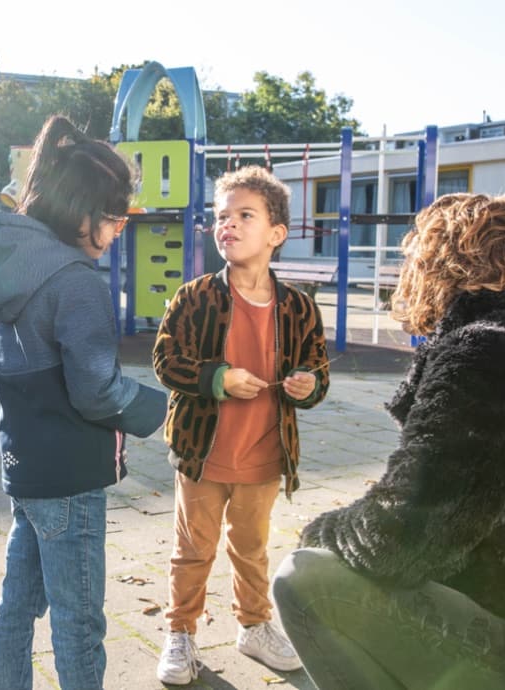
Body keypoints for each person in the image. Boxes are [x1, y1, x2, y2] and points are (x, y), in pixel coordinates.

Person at [272, 192, 505, 690]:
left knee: (306, 579)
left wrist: (320, 532)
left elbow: (405, 537)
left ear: (436, 262)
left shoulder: (487, 352)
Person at [0, 114, 168, 690]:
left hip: (27, 468)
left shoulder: (18, 269)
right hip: (72, 477)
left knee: (16, 607)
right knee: (79, 622)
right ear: (83, 211)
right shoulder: (76, 282)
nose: (118, 230)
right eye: (114, 217)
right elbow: (97, 390)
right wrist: (161, 410)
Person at [152, 165, 330, 685]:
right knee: (193, 550)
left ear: (276, 234)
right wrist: (218, 378)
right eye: (220, 216)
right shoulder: (194, 297)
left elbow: (317, 368)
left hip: (264, 457)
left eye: (244, 215)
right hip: (201, 453)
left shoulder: (299, 307)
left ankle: (253, 626)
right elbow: (167, 362)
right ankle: (181, 632)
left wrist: (307, 385)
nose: (227, 224)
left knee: (251, 548)